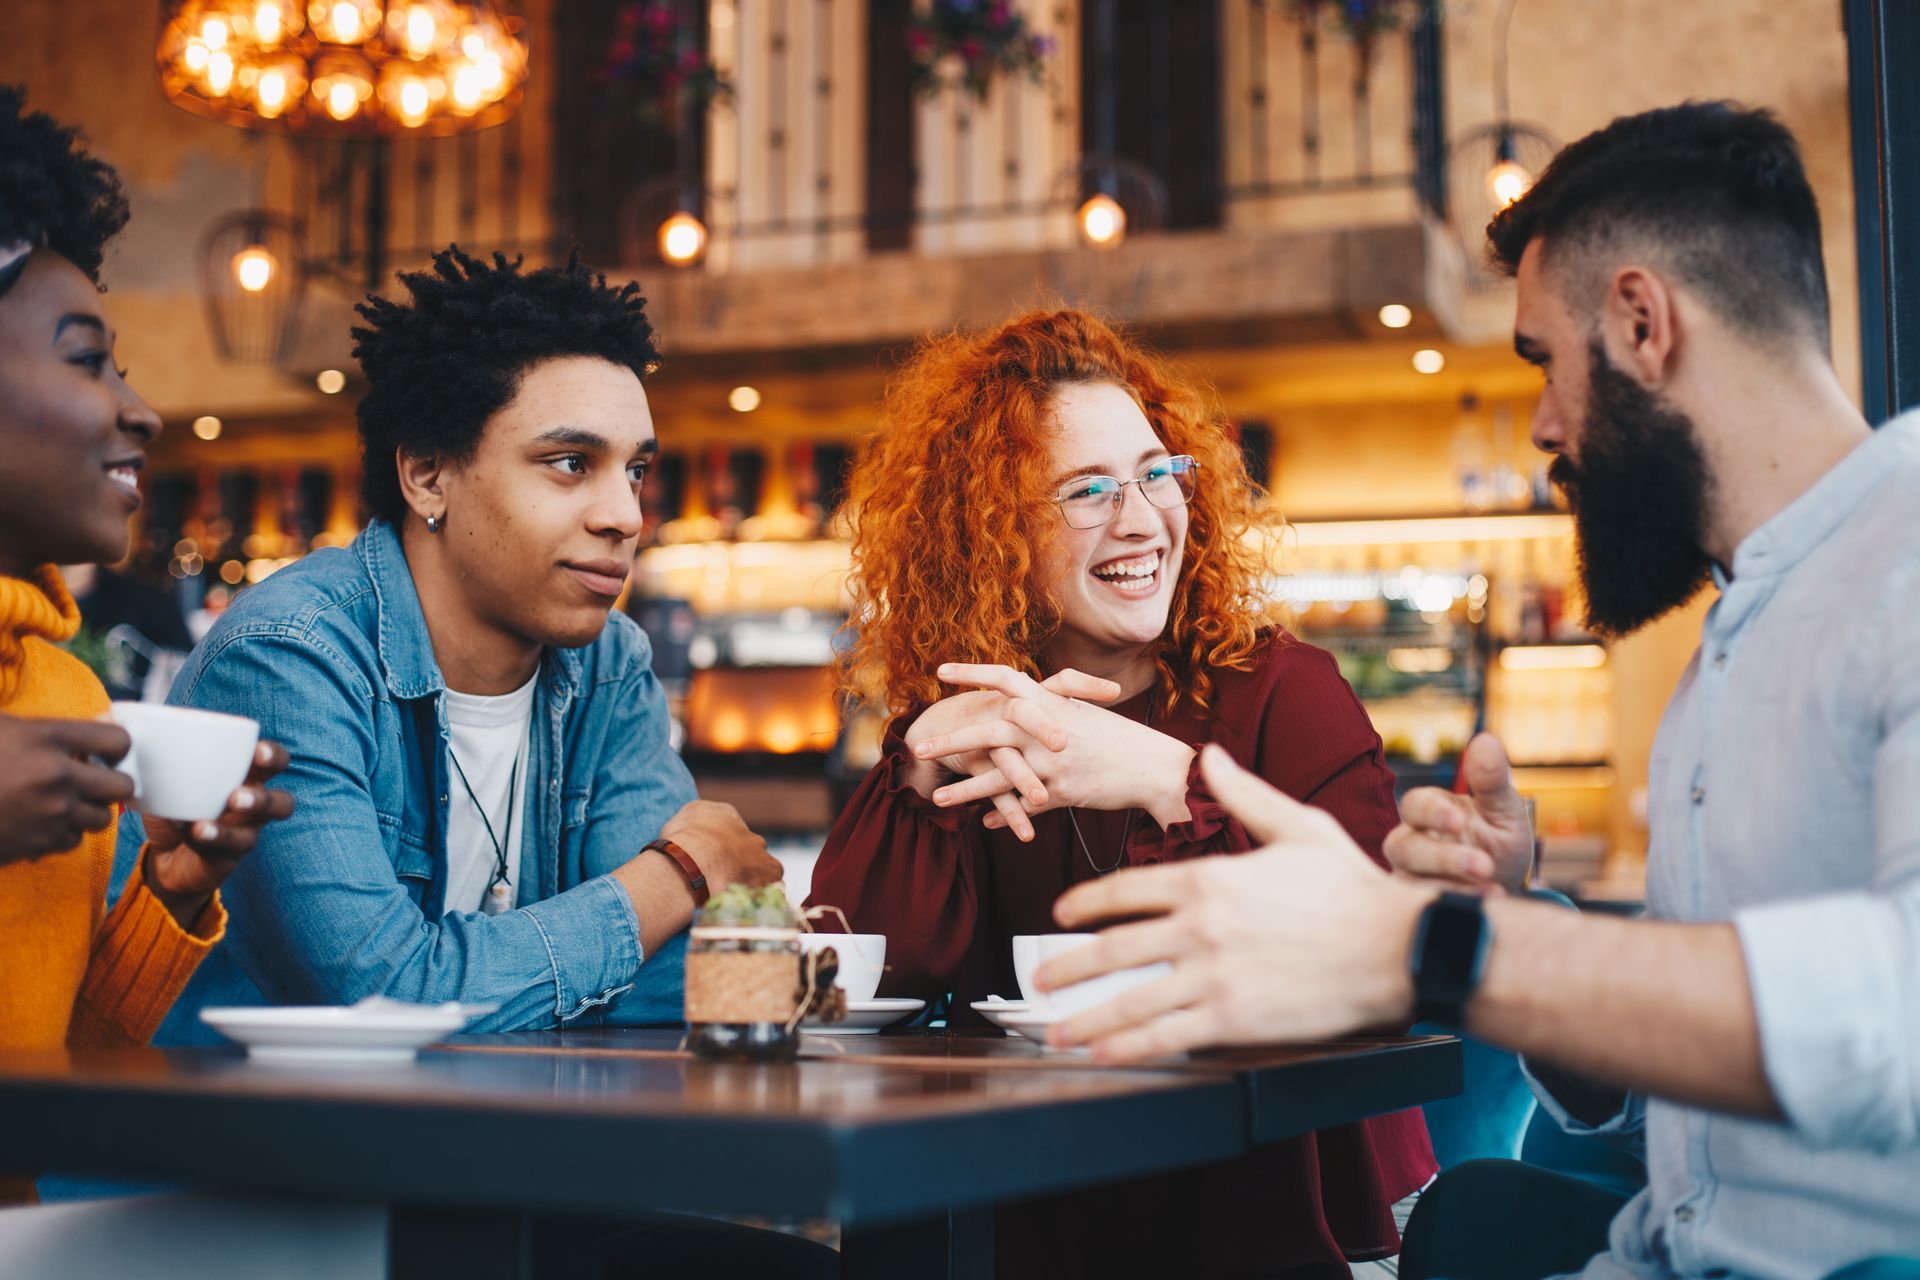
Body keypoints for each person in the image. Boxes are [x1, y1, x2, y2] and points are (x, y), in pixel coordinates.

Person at [1037, 102, 1920, 1279]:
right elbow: (1675, 1125)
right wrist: (1510, 913)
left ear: (1645, 323)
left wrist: (1437, 944)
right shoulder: (1726, 654)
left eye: (1545, 363)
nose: (1546, 427)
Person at [806, 308, 1436, 1279]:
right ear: (990, 533)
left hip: (1275, 1217)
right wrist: (915, 786)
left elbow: (1381, 978)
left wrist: (1163, 780)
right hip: (1026, 1209)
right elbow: (845, 990)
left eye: (1156, 474)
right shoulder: (977, 715)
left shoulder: (1285, 690)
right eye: (1087, 489)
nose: (1142, 519)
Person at [116, 246, 786, 1042]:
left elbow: (696, 980)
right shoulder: (291, 656)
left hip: (490, 1147)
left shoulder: (610, 664)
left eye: (635, 471)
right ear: (428, 476)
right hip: (246, 1156)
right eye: (571, 464)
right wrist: (681, 868)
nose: (626, 516)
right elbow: (381, 996)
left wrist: (526, 971)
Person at [0, 81, 293, 1187]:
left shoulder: (62, 697)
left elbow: (64, 1073)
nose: (141, 407)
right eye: (85, 359)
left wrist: (168, 891)